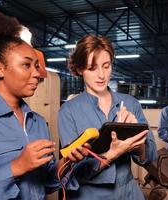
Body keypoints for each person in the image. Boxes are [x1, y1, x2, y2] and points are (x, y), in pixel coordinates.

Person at [0, 12, 88, 200]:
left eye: (36, 66)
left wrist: (68, 162)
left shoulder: (38, 122)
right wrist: (16, 167)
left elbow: (45, 181)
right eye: (26, 65)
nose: (37, 74)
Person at [58, 35, 157, 200]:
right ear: (80, 69)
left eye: (106, 66)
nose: (102, 75)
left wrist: (139, 144)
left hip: (130, 193)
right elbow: (73, 174)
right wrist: (114, 153)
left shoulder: (131, 104)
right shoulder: (68, 111)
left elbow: (151, 158)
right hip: (90, 195)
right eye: (92, 68)